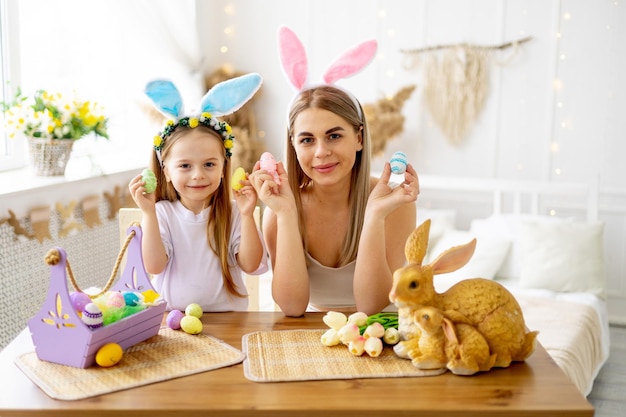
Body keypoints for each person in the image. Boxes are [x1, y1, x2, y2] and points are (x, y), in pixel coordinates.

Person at [250, 84, 419, 317]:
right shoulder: (279, 210)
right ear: (294, 146)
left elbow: (372, 307)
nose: (321, 152)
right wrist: (288, 213)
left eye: (334, 136)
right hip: (314, 334)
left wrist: (374, 216)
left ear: (359, 138)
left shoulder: (395, 203)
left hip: (382, 331)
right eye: (307, 140)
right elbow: (291, 306)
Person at [129, 75, 267, 312]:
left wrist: (247, 215)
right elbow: (154, 266)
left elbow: (251, 264)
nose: (198, 175)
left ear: (224, 168)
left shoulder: (234, 212)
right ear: (167, 171)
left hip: (230, 320)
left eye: (209, 165)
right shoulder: (162, 213)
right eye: (185, 166)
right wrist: (149, 214)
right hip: (175, 321)